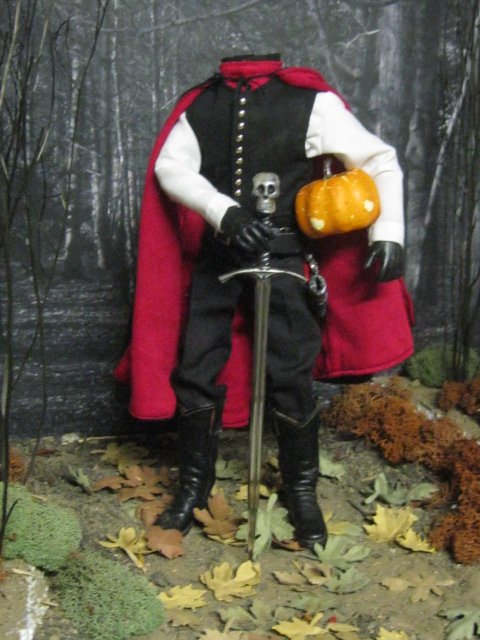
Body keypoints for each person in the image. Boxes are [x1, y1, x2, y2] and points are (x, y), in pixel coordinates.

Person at [114, 54, 413, 548]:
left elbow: (378, 159)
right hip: (219, 259)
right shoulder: (203, 104)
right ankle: (193, 486)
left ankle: (301, 490)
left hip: (288, 259)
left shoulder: (310, 103)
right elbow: (171, 167)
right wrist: (223, 212)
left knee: (291, 371)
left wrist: (389, 233)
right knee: (196, 368)